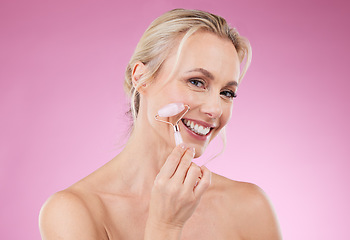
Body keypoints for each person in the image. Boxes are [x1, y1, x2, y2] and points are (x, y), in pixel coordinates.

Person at [39, 8, 282, 239]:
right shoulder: (74, 212)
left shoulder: (250, 207)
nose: (214, 109)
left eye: (227, 93)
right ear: (141, 78)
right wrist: (165, 226)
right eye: (196, 82)